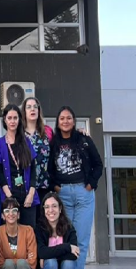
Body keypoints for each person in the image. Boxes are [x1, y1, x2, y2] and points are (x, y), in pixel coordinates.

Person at [48, 106, 102, 269]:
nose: (65, 121)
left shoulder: (84, 140)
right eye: (62, 118)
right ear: (58, 122)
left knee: (81, 240)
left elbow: (98, 164)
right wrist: (56, 187)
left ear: (74, 121)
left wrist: (91, 184)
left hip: (83, 193)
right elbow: (49, 169)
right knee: (64, 238)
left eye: (69, 118)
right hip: (63, 195)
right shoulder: (53, 143)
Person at [0, 104, 39, 227]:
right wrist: (10, 197)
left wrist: (31, 194)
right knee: (11, 233)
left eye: (15, 118)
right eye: (9, 118)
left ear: (19, 119)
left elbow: (33, 170)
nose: (12, 121)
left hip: (27, 195)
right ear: (5, 120)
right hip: (9, 195)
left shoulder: (26, 141)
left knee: (29, 232)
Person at [22, 96, 53, 204]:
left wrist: (79, 132)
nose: (32, 109)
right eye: (29, 107)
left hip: (45, 186)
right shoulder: (19, 134)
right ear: (24, 111)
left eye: (35, 107)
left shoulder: (47, 131)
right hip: (25, 186)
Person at [37, 192, 79, 269]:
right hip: (49, 266)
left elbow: (74, 254)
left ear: (60, 209)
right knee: (51, 262)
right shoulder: (39, 228)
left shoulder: (69, 227)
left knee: (69, 263)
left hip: (65, 266)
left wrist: (48, 254)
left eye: (54, 206)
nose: (50, 210)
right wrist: (67, 247)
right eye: (47, 207)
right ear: (43, 210)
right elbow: (41, 252)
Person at [0, 197, 37, 269]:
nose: (11, 214)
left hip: (24, 267)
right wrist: (23, 259)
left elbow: (32, 261)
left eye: (14, 210)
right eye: (7, 211)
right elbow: (0, 262)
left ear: (18, 215)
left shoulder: (28, 230)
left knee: (21, 263)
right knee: (8, 263)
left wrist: (19, 261)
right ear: (2, 216)